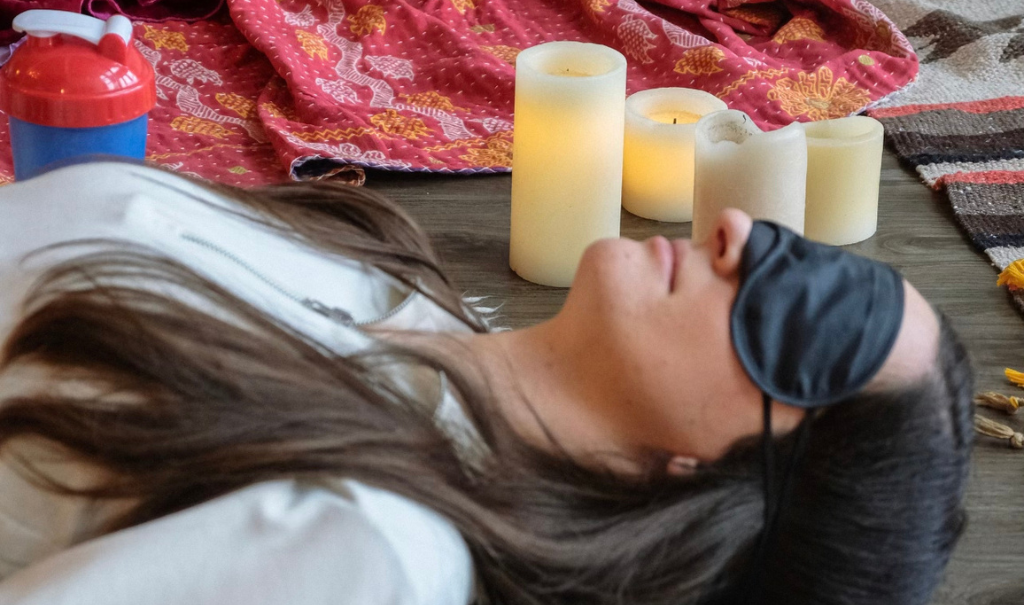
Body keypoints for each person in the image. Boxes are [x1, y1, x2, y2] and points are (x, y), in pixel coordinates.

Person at [0, 160, 972, 605]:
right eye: (806, 256)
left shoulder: (367, 551)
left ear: (711, 477)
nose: (742, 233)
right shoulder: (413, 305)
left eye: (804, 317)